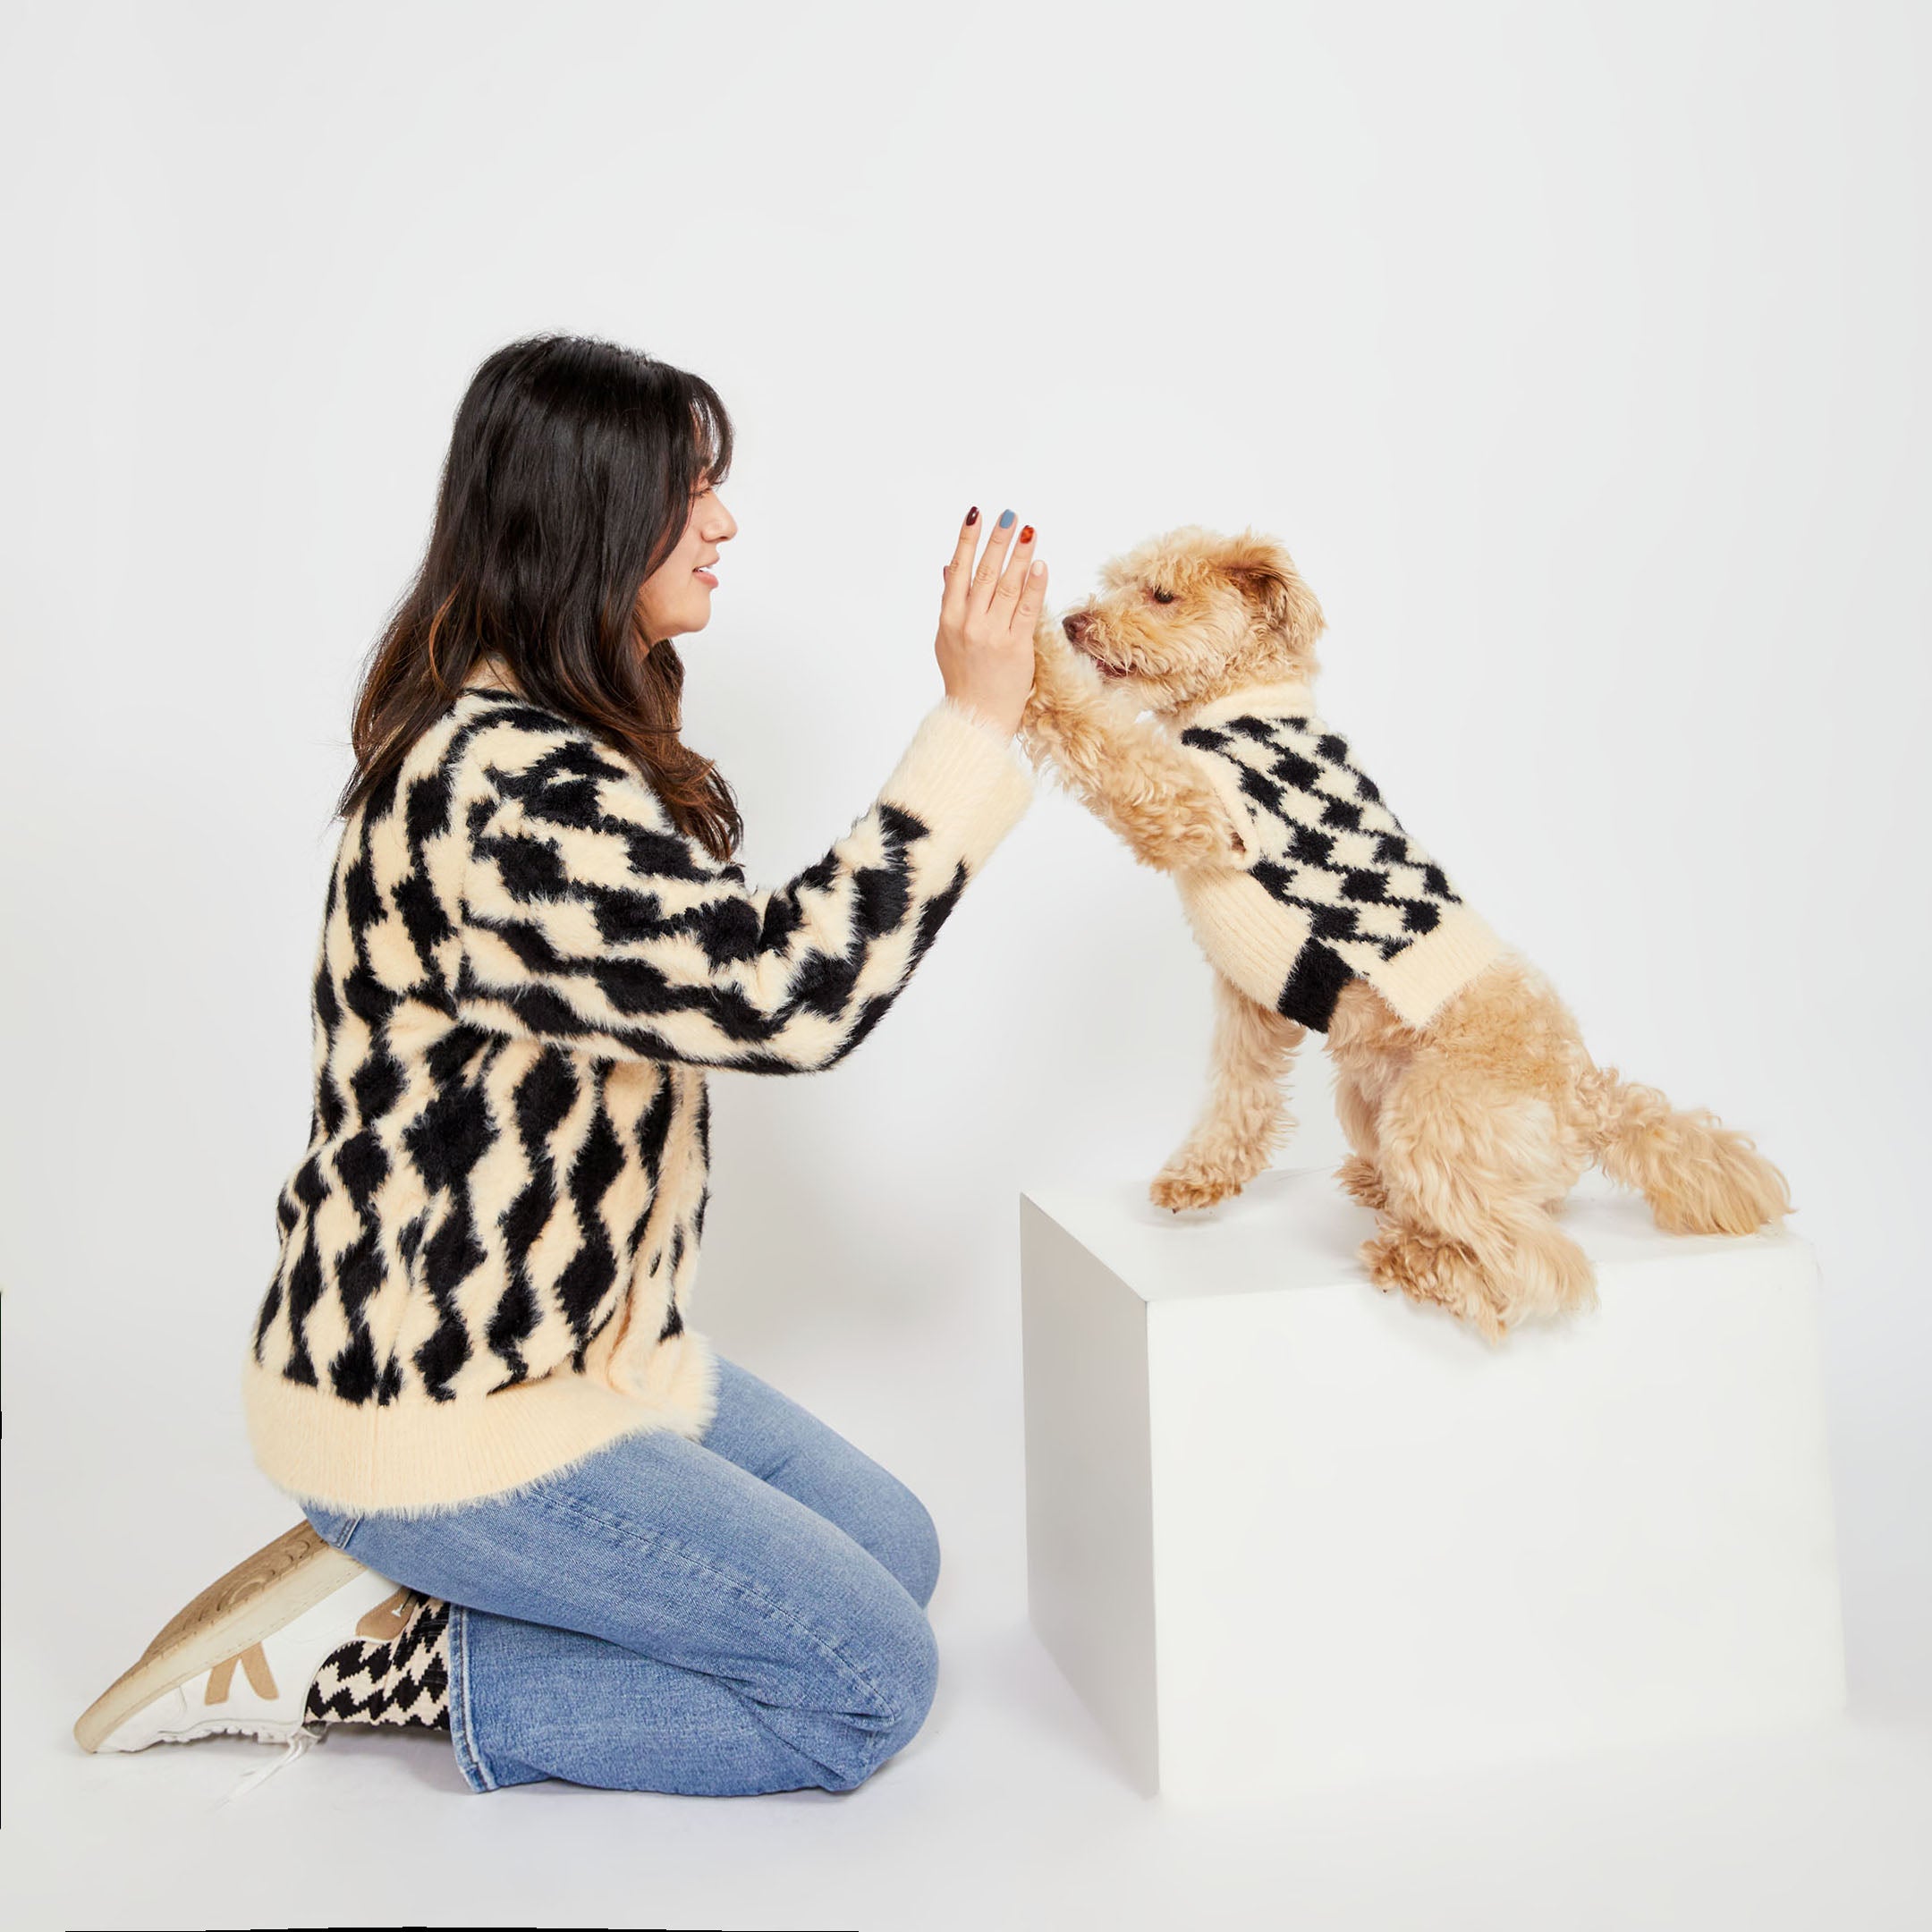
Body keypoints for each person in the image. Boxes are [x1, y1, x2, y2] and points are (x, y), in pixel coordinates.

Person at [72, 334, 1047, 1796]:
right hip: (438, 1409)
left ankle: (442, 1587)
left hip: (584, 1359)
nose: (722, 521)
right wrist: (973, 728)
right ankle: (378, 1658)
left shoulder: (553, 737)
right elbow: (786, 1000)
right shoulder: (500, 790)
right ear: (585, 519)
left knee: (893, 1556)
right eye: (685, 489)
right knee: (864, 1690)